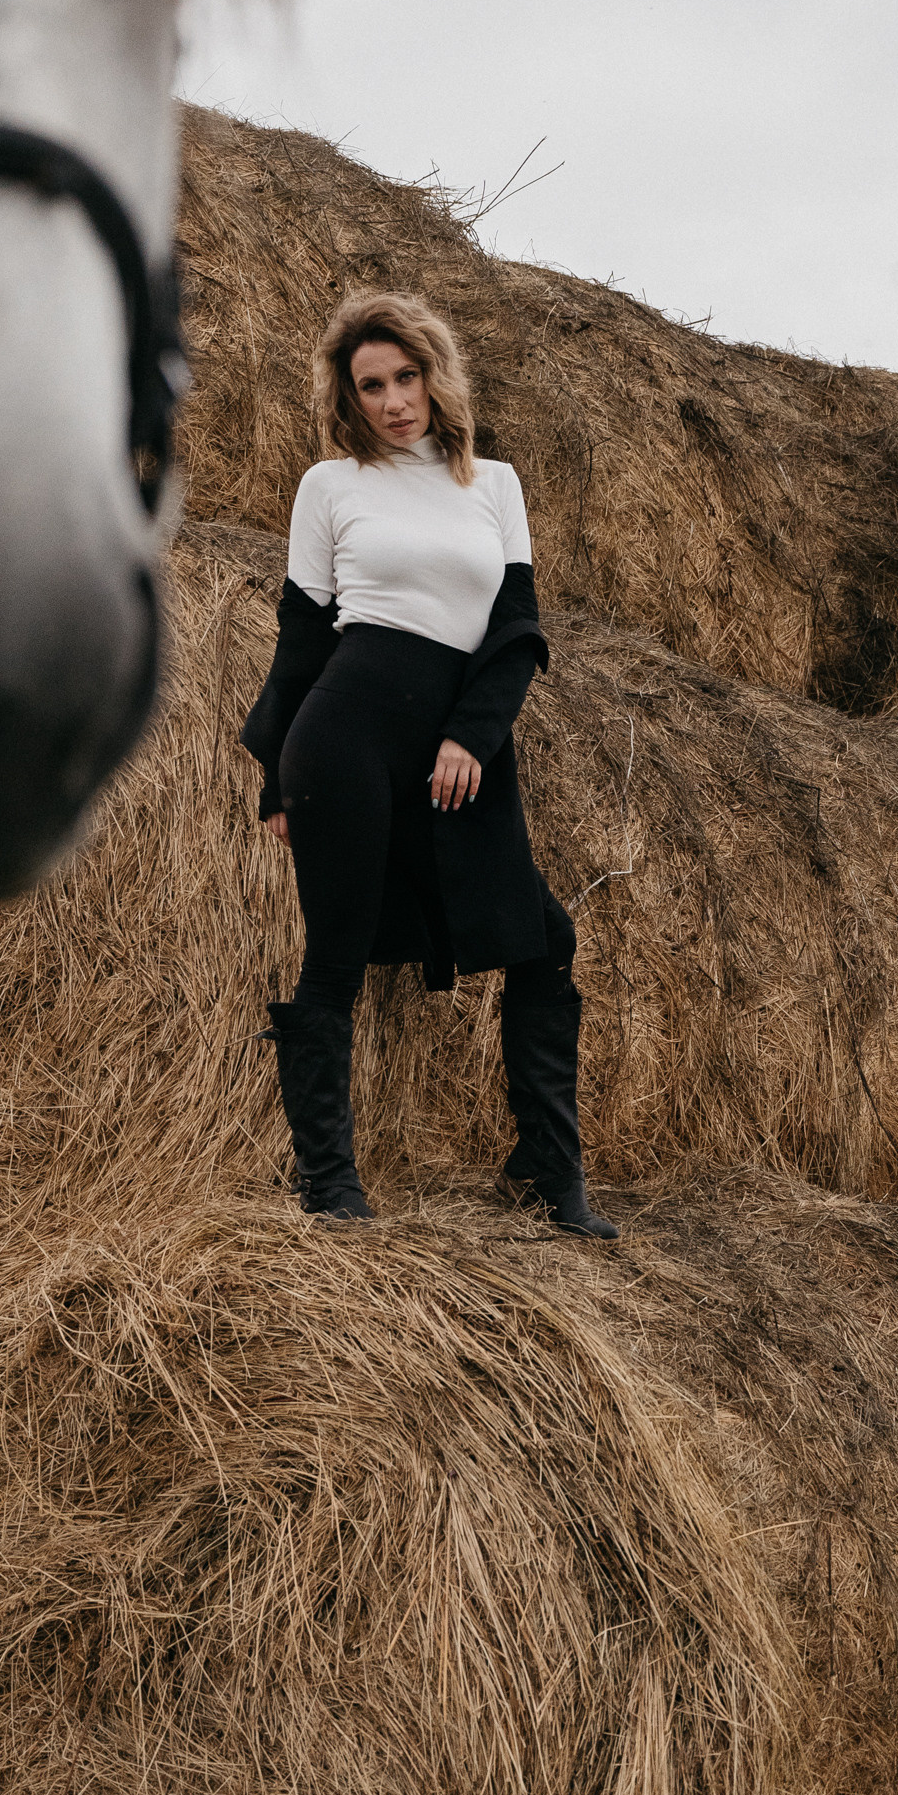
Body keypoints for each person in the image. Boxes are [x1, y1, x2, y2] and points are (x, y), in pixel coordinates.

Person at [241, 289, 617, 1235]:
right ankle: (329, 1183)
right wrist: (276, 777)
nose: (392, 400)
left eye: (405, 377)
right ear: (348, 397)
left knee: (543, 939)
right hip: (346, 732)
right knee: (335, 955)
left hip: (458, 743)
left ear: (435, 376)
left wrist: (469, 736)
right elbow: (300, 636)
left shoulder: (493, 485)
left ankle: (549, 1170)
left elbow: (516, 629)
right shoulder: (330, 486)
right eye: (370, 386)